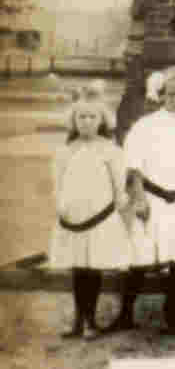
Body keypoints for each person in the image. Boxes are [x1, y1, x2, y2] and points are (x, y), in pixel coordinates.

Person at [118, 68, 175, 332]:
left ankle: (172, 312)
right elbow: (134, 165)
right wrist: (140, 197)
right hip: (153, 196)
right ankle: (125, 314)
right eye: (171, 94)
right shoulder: (146, 125)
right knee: (141, 256)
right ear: (162, 95)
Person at [49, 83, 132, 339]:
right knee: (78, 268)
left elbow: (119, 185)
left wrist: (120, 206)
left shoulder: (111, 151)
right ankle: (78, 320)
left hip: (100, 216)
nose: (86, 122)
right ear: (74, 121)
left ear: (101, 120)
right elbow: (58, 183)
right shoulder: (65, 151)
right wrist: (61, 208)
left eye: (92, 117)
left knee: (93, 267)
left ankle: (90, 321)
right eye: (81, 117)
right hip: (73, 218)